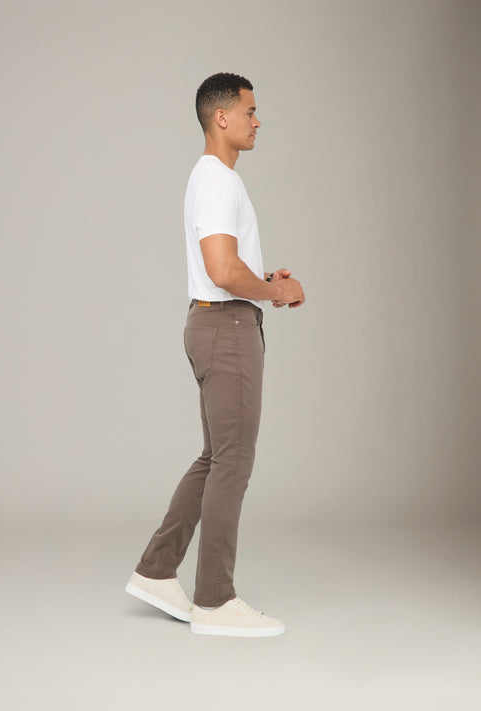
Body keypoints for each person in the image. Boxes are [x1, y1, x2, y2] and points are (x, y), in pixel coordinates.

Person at [126, 72, 305, 637]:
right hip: (226, 327)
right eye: (250, 111)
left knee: (215, 456)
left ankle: (156, 571)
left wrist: (263, 279)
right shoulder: (218, 181)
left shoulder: (211, 179)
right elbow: (223, 270)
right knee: (233, 460)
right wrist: (276, 291)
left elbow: (226, 267)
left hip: (214, 321)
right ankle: (214, 601)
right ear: (221, 117)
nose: (258, 121)